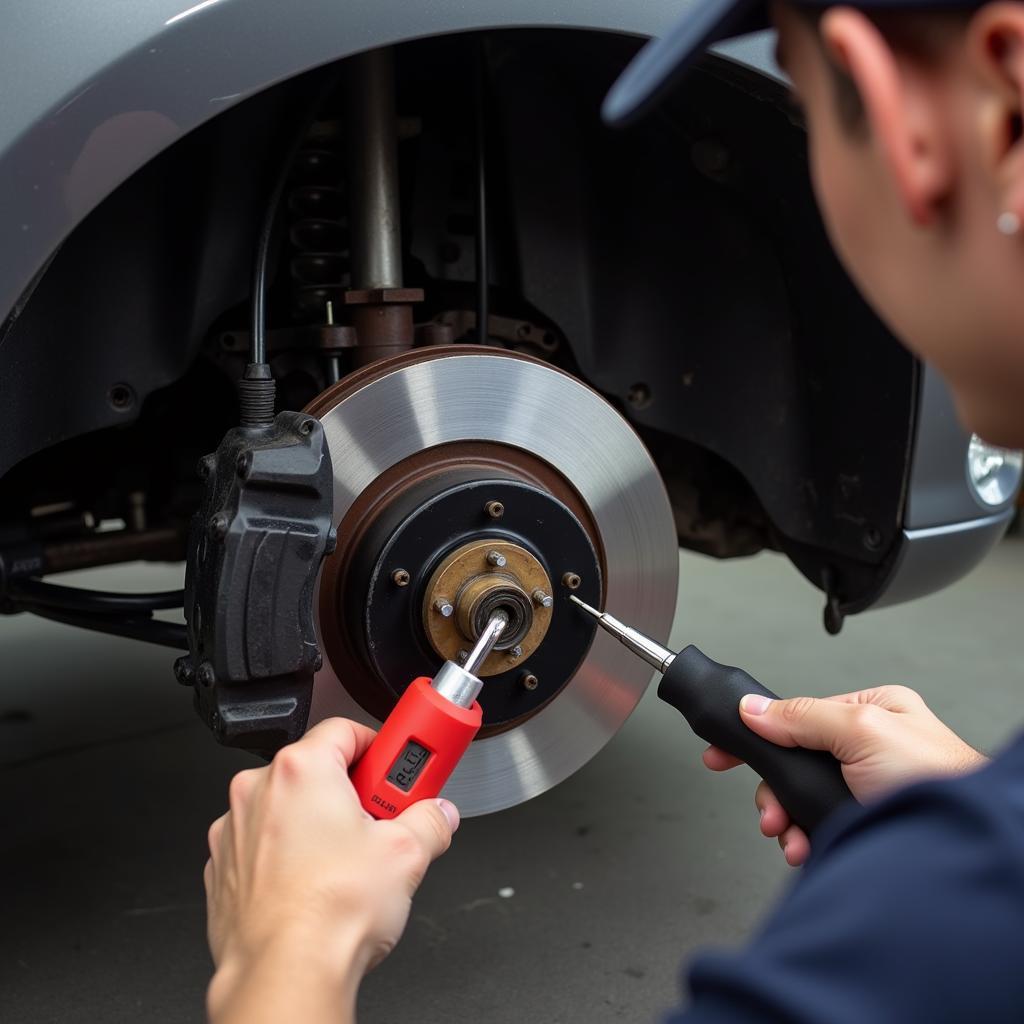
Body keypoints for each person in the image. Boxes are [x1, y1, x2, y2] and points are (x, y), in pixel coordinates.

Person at [203, 0, 1024, 1019]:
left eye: (805, 114)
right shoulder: (984, 864)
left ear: (953, 122)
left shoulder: (923, 937)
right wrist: (962, 805)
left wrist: (282, 949)